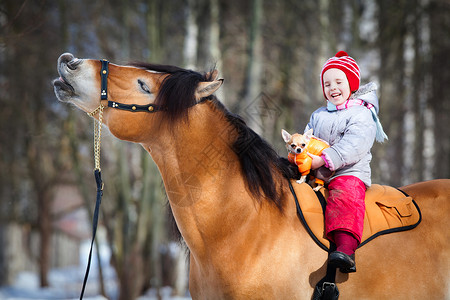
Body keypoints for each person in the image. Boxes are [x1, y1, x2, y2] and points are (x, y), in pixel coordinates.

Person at [305, 51, 388, 273]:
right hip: (318, 171)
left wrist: (324, 159)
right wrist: (301, 155)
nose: (333, 88)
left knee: (345, 197)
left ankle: (346, 247)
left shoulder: (361, 114)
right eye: (327, 83)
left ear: (351, 84)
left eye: (339, 82)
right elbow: (308, 138)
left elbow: (355, 144)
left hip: (348, 172)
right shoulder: (318, 114)